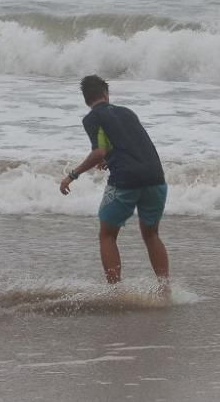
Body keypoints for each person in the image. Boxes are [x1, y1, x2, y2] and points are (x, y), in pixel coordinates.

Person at [60, 75, 170, 286]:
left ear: (86, 99)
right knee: (151, 234)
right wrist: (112, 159)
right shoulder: (127, 113)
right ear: (106, 94)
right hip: (155, 177)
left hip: (126, 181)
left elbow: (99, 151)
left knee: (107, 235)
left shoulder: (92, 118)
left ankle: (115, 291)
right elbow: (130, 145)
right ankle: (165, 289)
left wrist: (72, 175)